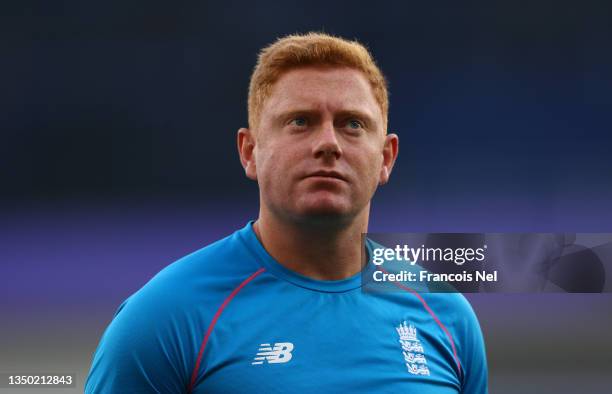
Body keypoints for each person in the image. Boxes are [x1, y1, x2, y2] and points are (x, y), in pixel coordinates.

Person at [85, 32, 488, 393]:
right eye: (300, 122)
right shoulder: (164, 318)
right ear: (249, 152)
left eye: (352, 124)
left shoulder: (445, 314)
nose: (328, 143)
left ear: (386, 158)